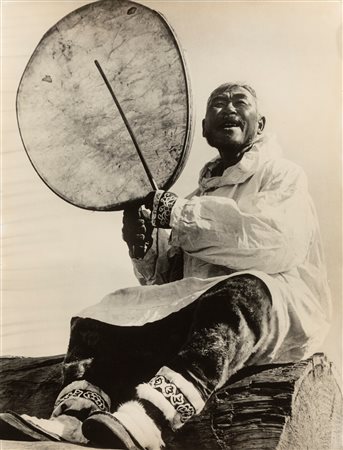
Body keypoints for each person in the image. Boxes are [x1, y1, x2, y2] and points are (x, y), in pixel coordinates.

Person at [0, 83, 331, 449]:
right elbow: (167, 282)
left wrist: (176, 213)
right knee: (109, 313)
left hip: (273, 309)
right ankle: (75, 418)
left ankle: (151, 418)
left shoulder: (282, 174)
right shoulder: (197, 196)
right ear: (204, 128)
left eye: (241, 101)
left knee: (239, 293)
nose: (229, 108)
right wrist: (141, 244)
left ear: (261, 124)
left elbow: (274, 241)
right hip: (206, 313)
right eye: (218, 103)